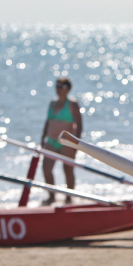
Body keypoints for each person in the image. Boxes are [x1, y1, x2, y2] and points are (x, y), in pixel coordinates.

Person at [39, 77, 83, 205]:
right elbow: (48, 122)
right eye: (56, 87)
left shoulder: (73, 104)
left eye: (61, 87)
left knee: (67, 169)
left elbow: (79, 124)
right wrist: (43, 138)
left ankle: (69, 197)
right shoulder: (52, 103)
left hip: (66, 141)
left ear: (68, 89)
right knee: (46, 168)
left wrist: (77, 143)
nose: (58, 90)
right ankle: (52, 196)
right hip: (51, 141)